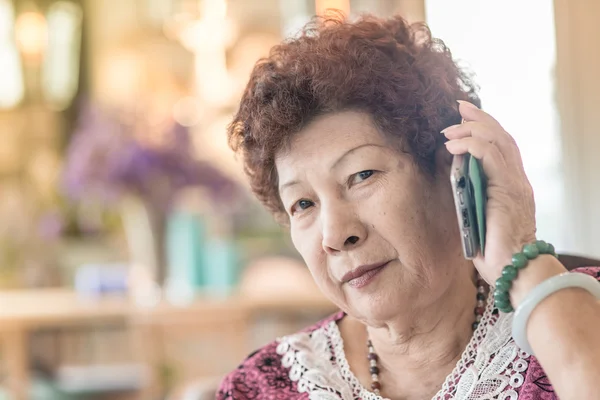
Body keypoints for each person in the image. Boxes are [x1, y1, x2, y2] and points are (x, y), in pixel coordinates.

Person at [217, 13, 600, 400]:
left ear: (453, 170)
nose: (335, 235)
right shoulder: (260, 388)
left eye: (362, 175)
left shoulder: (579, 315)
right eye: (302, 203)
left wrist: (520, 251)